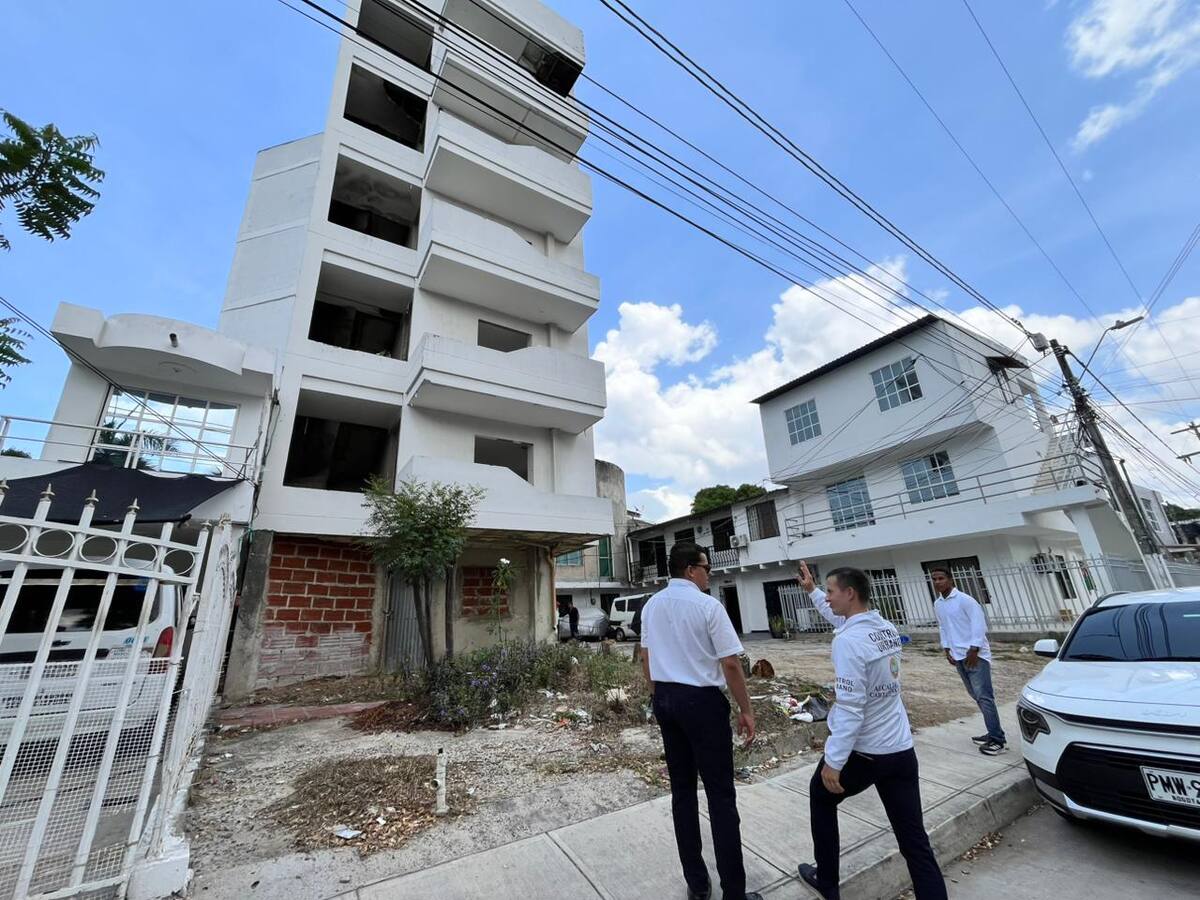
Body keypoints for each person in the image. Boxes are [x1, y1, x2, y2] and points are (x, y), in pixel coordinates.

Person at [795, 561, 946, 900]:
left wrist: (834, 761)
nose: (828, 598)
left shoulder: (848, 642)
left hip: (866, 753)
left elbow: (851, 707)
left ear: (849, 593)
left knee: (821, 795)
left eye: (831, 591)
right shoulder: (884, 628)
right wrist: (812, 591)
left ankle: (827, 882)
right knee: (914, 840)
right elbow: (843, 620)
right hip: (900, 750)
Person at [640, 541, 761, 900]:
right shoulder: (708, 606)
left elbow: (646, 656)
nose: (710, 574)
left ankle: (697, 883)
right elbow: (731, 663)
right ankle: (734, 892)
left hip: (666, 699)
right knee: (721, 796)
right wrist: (746, 709)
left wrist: (657, 696)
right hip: (702, 703)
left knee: (682, 793)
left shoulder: (652, 605)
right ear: (691, 570)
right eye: (707, 568)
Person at [930, 566, 1006, 755]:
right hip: (958, 655)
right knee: (976, 695)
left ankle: (997, 741)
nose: (937, 582)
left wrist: (974, 649)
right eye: (934, 579)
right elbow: (943, 627)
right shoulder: (938, 604)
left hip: (975, 656)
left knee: (984, 697)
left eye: (941, 578)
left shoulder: (965, 600)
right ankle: (993, 731)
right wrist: (946, 648)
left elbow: (979, 625)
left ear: (950, 580)